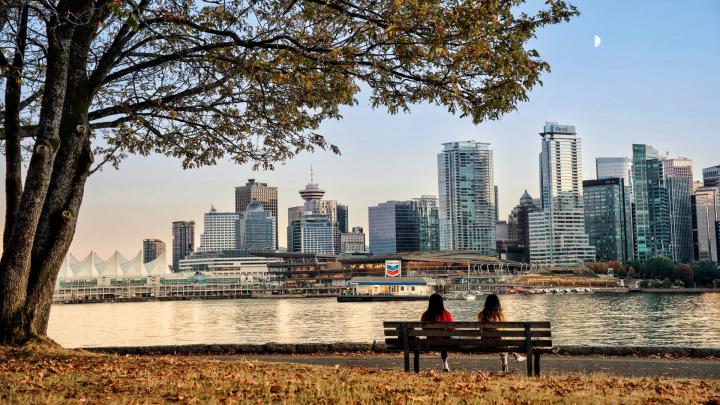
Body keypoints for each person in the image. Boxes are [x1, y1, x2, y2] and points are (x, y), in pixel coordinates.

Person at [477, 294, 526, 372]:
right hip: (499, 344)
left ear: (486, 303)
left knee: (500, 341)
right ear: (498, 303)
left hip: (485, 344)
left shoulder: (481, 315)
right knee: (502, 340)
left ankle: (515, 357)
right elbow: (504, 330)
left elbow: (480, 330)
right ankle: (514, 357)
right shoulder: (500, 315)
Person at [421, 293, 454, 372]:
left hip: (430, 342)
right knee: (446, 339)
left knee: (443, 338)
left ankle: (445, 363)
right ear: (441, 302)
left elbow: (423, 329)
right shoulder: (446, 314)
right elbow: (452, 329)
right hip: (444, 342)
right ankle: (445, 363)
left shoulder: (425, 315)